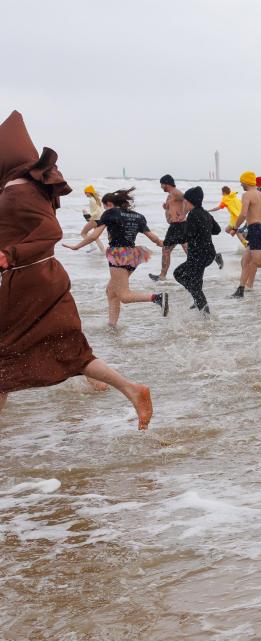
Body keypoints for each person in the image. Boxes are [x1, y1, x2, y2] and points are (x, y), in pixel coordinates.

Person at [0, 110, 152, 429]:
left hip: (31, 279)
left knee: (6, 356)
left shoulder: (17, 190)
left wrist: (9, 254)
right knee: (70, 347)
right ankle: (131, 389)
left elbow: (50, 232)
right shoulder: (25, 188)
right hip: (42, 276)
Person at [63, 189, 170, 325]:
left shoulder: (110, 213)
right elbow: (152, 237)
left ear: (109, 203)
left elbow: (94, 235)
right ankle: (112, 325)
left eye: (105, 206)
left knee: (124, 296)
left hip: (118, 255)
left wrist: (77, 246)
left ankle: (157, 298)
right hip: (133, 255)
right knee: (111, 291)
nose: (104, 209)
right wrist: (163, 243)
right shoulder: (138, 216)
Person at [173, 186, 221, 313]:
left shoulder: (193, 215)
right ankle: (197, 299)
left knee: (178, 274)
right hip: (209, 253)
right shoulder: (206, 214)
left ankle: (204, 308)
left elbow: (187, 235)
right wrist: (203, 229)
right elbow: (217, 230)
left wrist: (182, 222)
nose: (184, 204)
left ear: (190, 201)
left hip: (198, 255)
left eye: (185, 201)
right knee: (196, 278)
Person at [151, 174, 188, 282]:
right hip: (176, 226)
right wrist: (166, 208)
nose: (161, 187)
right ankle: (213, 257)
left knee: (166, 249)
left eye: (161, 184)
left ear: (166, 183)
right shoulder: (170, 195)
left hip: (178, 225)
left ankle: (162, 276)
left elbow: (186, 199)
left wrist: (183, 213)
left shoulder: (176, 192)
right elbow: (173, 207)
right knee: (188, 250)